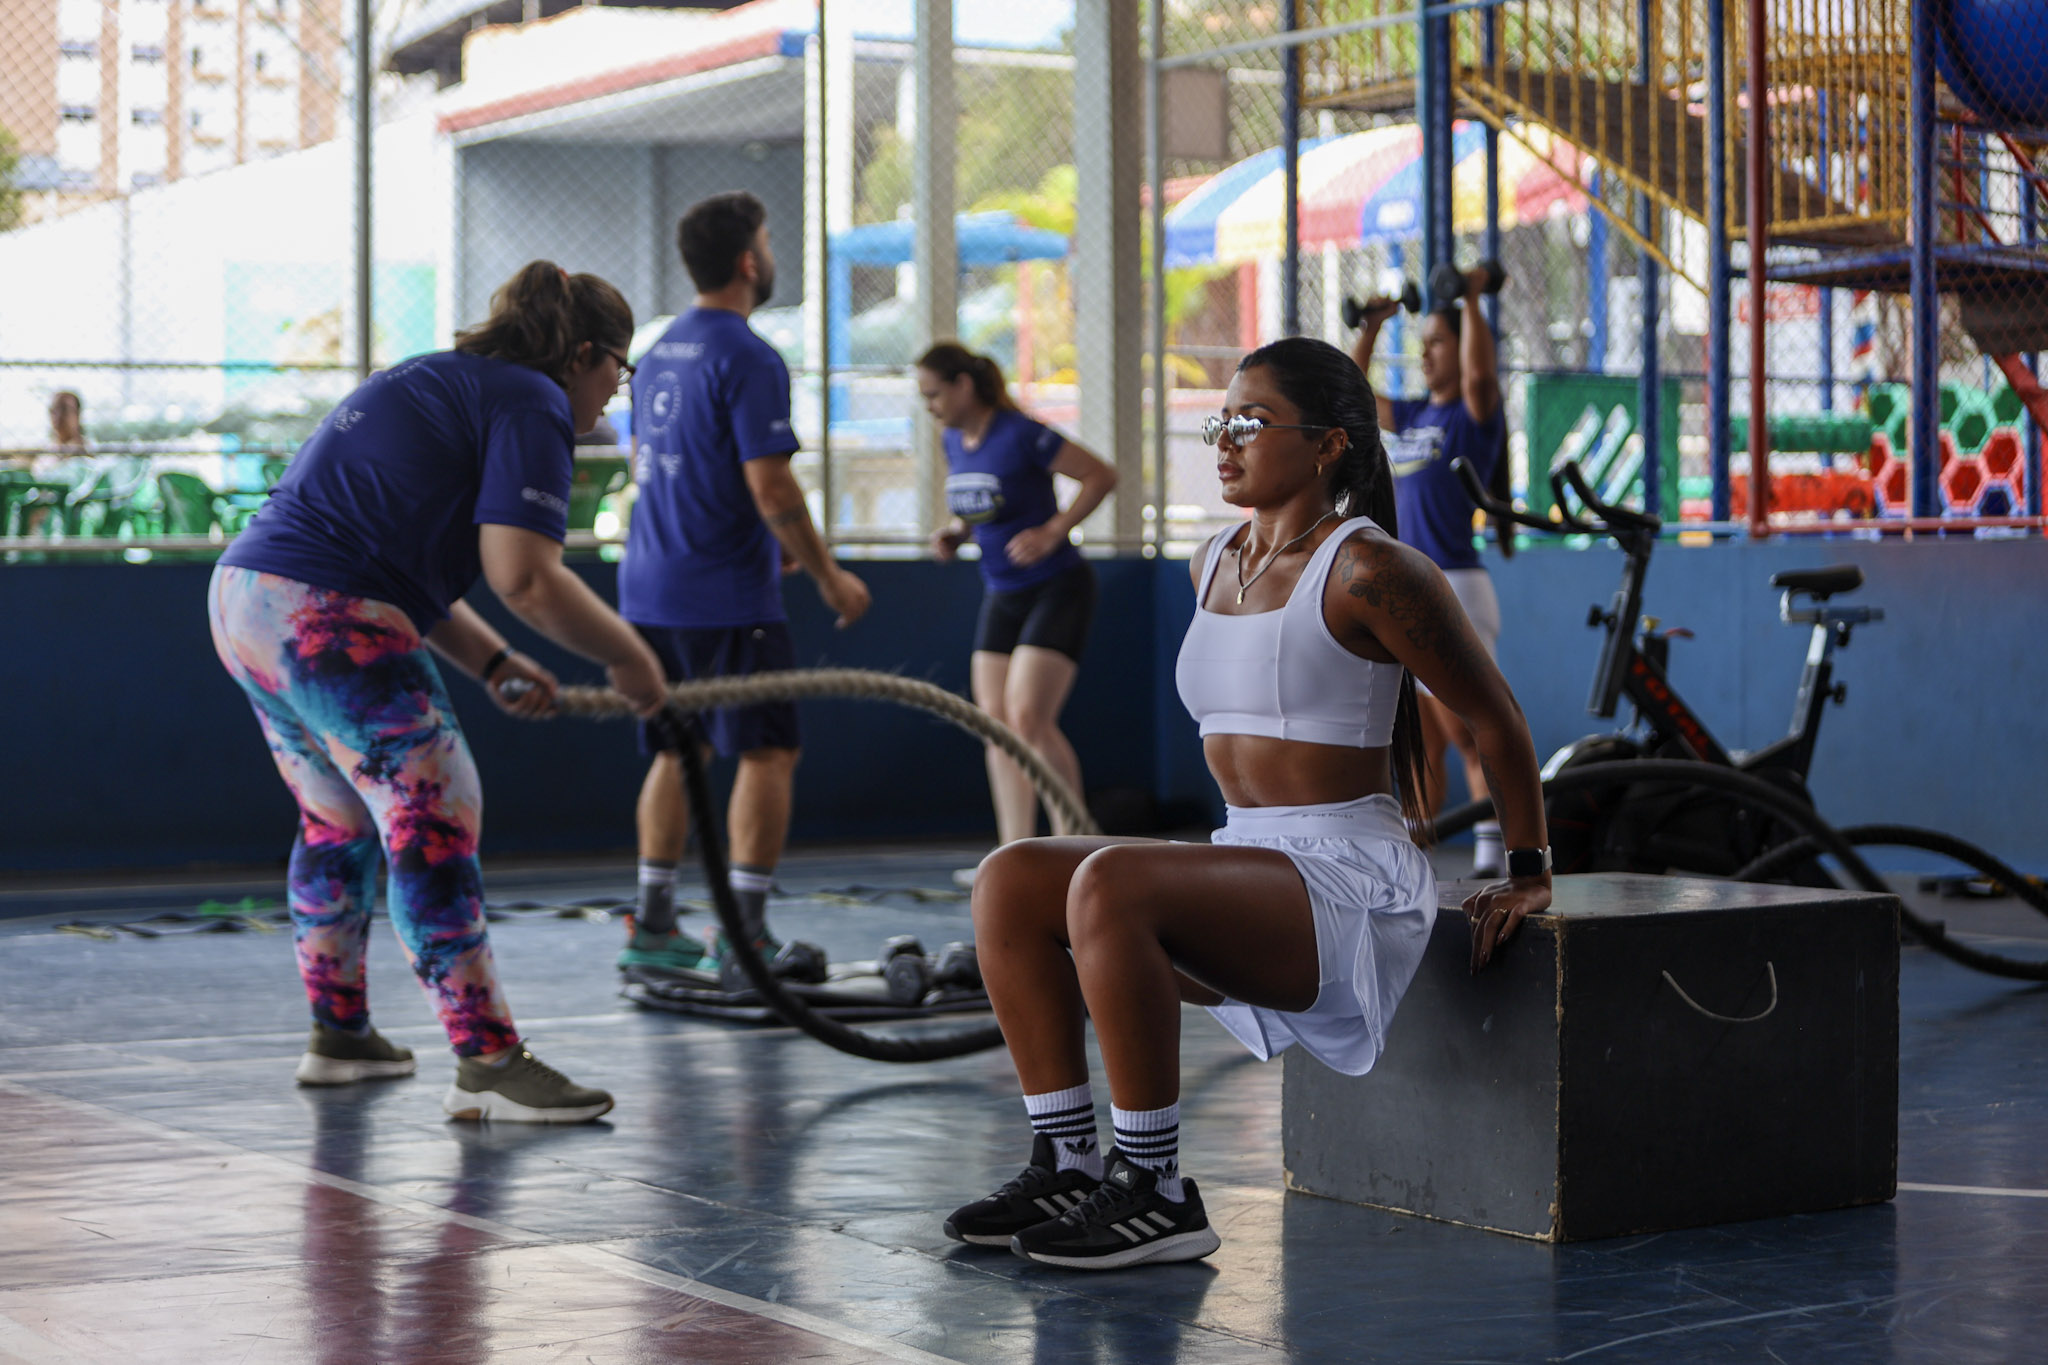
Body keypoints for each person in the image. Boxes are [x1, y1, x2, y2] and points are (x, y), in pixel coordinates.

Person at [944, 337, 1552, 1270]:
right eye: (1221, 422)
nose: (1224, 441)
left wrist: (1528, 870)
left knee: (1109, 880)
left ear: (1329, 445)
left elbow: (1495, 716)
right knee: (1010, 878)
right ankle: (1067, 1158)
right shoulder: (1211, 561)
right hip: (1252, 858)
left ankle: (1155, 1188)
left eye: (1252, 423)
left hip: (1346, 881)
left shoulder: (1369, 569)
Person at [209, 261, 670, 1123]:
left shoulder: (443, 378)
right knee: (434, 809)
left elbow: (409, 571)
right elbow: (524, 577)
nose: (619, 388)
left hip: (249, 598)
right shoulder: (532, 400)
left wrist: (495, 664)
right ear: (581, 354)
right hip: (324, 609)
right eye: (621, 365)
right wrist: (631, 657)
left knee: (338, 819)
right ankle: (487, 1056)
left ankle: (340, 1034)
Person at [618, 191, 871, 977]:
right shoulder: (750, 356)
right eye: (766, 240)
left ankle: (653, 925)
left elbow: (668, 466)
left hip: (650, 586)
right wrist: (828, 576)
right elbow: (772, 486)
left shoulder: (660, 350)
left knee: (679, 749)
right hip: (723, 596)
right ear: (747, 262)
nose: (770, 253)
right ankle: (746, 934)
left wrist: (767, 542)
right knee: (768, 751)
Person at [920, 342, 1117, 871]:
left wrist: (1054, 530)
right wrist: (957, 532)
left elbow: (1102, 475)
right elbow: (983, 505)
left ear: (964, 386)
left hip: (1058, 587)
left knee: (1028, 718)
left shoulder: (1021, 432)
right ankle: (1014, 856)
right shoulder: (952, 440)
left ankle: (1076, 847)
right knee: (996, 725)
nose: (930, 406)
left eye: (934, 394)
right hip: (1002, 593)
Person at [1350, 268, 1510, 876]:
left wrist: (1469, 297)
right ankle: (1414, 861)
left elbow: (1481, 376)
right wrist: (1371, 328)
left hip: (1457, 587)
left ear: (1464, 346)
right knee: (1423, 745)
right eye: (1423, 344)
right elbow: (1354, 398)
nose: (1425, 354)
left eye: (1437, 342)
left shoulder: (1472, 416)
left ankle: (1495, 861)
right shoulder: (1416, 414)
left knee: (1468, 730)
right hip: (1414, 588)